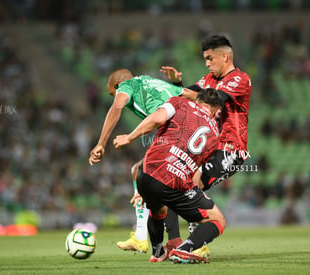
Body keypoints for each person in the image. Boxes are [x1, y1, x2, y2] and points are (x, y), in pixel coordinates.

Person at [160, 34, 251, 255]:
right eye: (205, 59)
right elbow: (189, 94)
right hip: (206, 148)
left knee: (192, 183)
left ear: (225, 56)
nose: (207, 63)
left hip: (230, 149)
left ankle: (194, 245)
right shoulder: (208, 80)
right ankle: (176, 242)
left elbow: (212, 99)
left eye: (210, 58)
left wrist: (181, 91)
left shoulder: (239, 79)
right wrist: (176, 85)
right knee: (171, 182)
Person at [89, 68, 197, 253]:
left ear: (117, 86)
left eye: (112, 93)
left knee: (144, 174)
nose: (114, 97)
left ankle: (148, 238)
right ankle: (157, 238)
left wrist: (101, 143)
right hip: (192, 132)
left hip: (174, 132)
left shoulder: (127, 85)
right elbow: (193, 95)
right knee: (152, 175)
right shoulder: (156, 82)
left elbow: (116, 107)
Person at [113, 88, 225, 263]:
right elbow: (194, 168)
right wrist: (193, 193)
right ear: (216, 110)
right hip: (174, 181)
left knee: (157, 210)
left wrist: (129, 137)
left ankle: (157, 252)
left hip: (147, 173)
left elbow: (157, 119)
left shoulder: (179, 102)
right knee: (217, 220)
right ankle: (183, 249)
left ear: (198, 101)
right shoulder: (215, 134)